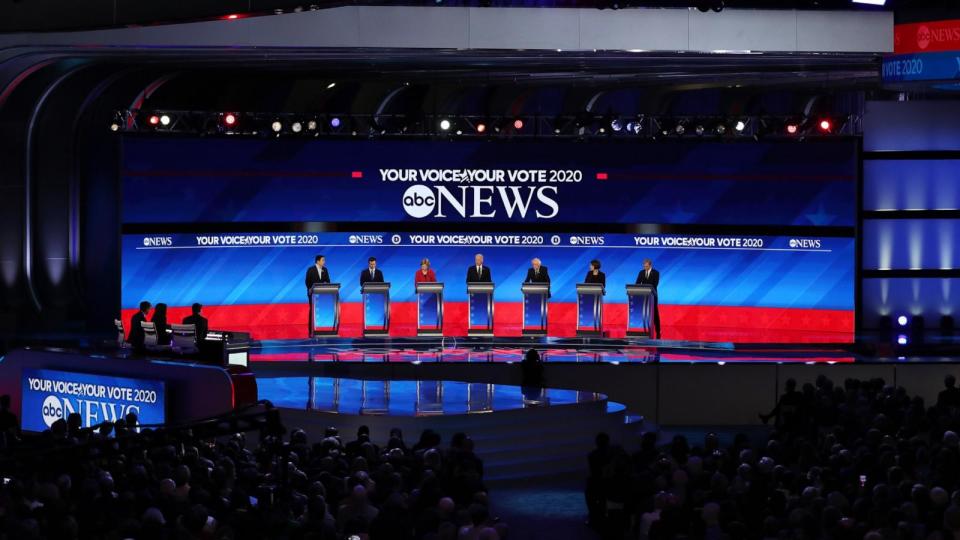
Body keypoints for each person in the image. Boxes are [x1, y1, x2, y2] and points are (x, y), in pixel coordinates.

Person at [635, 258, 661, 339]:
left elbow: (655, 284)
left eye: (646, 266)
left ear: (650, 265)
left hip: (653, 296)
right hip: (643, 296)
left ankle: (658, 331)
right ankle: (646, 331)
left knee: (654, 314)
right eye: (644, 266)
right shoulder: (641, 272)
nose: (645, 268)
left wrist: (647, 288)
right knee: (644, 313)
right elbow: (637, 283)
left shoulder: (656, 273)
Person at [305, 255, 331, 335]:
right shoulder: (311, 269)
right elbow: (307, 281)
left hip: (322, 294)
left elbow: (328, 281)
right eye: (323, 260)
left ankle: (320, 329)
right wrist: (310, 289)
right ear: (318, 261)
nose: (324, 262)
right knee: (312, 311)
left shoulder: (325, 270)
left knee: (321, 311)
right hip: (312, 294)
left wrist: (326, 284)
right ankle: (311, 330)